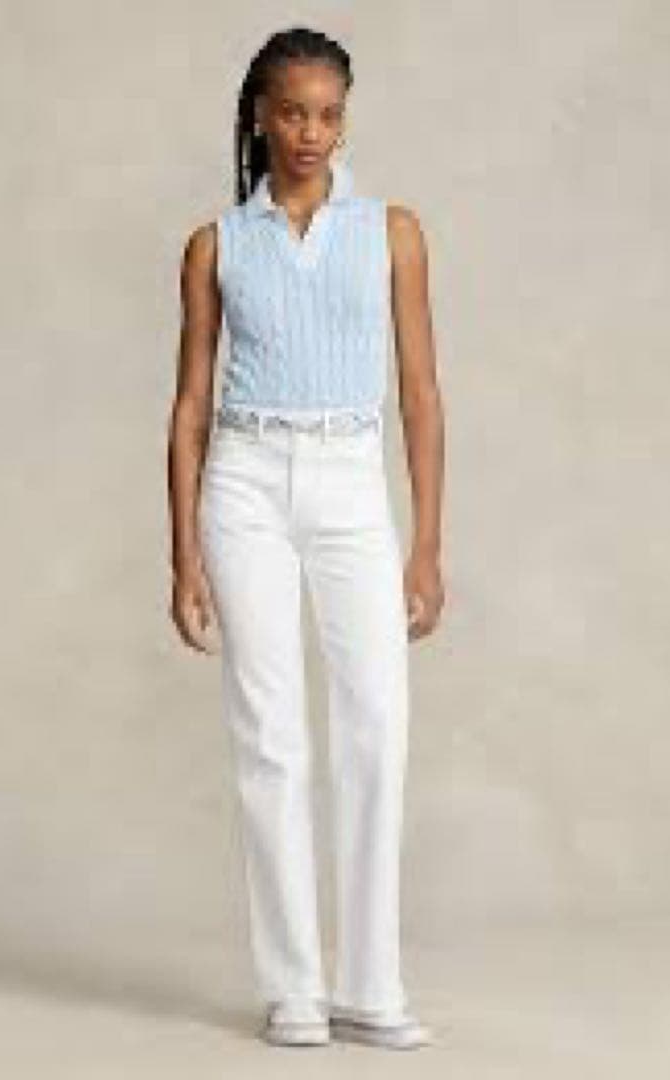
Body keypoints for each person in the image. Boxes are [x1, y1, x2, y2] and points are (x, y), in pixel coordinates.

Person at [167, 26, 445, 1050]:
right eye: (291, 112)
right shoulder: (215, 245)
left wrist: (426, 543)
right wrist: (182, 554)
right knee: (269, 735)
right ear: (259, 115)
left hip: (349, 479)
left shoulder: (391, 232)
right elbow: (190, 405)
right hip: (243, 483)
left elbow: (420, 393)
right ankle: (292, 986)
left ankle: (371, 985)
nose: (310, 132)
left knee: (375, 723)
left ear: (344, 119)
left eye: (327, 114)